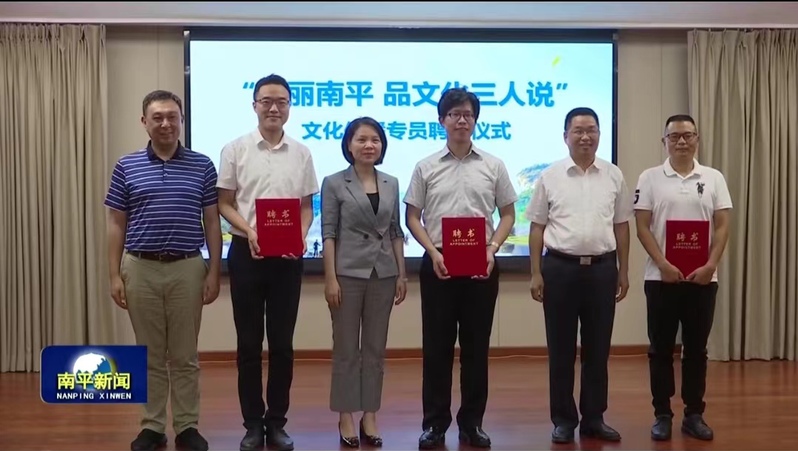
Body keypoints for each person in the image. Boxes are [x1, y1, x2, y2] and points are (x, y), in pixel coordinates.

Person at [105, 89, 222, 451]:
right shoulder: (126, 166)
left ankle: (187, 425)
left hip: (188, 267)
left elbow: (212, 222)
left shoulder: (202, 165)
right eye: (157, 117)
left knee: (185, 355)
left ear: (182, 120)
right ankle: (152, 426)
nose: (166, 123)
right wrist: (114, 275)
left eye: (172, 116)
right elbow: (116, 223)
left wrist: (214, 271)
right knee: (149, 354)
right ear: (145, 122)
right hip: (140, 268)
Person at [404, 87, 518, 449]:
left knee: (476, 349)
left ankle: (472, 423)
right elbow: (412, 216)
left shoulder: (493, 165)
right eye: (454, 114)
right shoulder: (425, 166)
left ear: (475, 120)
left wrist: (492, 248)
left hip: (481, 264)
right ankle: (435, 425)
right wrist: (431, 252)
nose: (461, 120)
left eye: (468, 114)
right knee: (436, 348)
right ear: (442, 120)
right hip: (438, 262)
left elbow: (508, 214)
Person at [216, 74, 319, 451]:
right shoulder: (235, 149)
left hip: (287, 259)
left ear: (289, 106)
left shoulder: (302, 152)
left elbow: (306, 207)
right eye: (267, 101)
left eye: (281, 101)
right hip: (247, 253)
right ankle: (251, 424)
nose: (274, 108)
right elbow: (225, 202)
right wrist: (250, 230)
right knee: (248, 344)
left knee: (282, 344)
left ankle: (277, 422)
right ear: (255, 105)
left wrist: (300, 235)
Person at [527, 107, 633, 444]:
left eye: (592, 130)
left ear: (599, 134)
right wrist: (535, 273)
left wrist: (623, 271)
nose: (585, 136)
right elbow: (537, 227)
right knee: (560, 350)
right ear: (565, 136)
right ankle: (563, 420)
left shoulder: (613, 175)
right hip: (559, 270)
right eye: (578, 130)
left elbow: (621, 225)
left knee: (597, 350)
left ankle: (594, 418)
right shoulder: (550, 176)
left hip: (602, 270)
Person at [634, 114, 732, 442]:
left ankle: (694, 414)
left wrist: (710, 265)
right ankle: (662, 414)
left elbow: (722, 226)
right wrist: (662, 263)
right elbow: (642, 226)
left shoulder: (714, 178)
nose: (681, 141)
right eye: (674, 136)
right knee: (660, 349)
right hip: (660, 279)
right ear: (664, 141)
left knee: (696, 350)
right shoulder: (649, 178)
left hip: (702, 279)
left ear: (697, 139)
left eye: (687, 135)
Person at [320, 117, 408, 448]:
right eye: (361, 139)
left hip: (383, 274)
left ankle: (370, 414)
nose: (369, 145)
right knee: (346, 349)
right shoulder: (333, 182)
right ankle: (345, 414)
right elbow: (329, 233)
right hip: (346, 275)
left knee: (375, 348)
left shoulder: (391, 182)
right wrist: (330, 278)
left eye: (375, 140)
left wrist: (401, 273)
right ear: (349, 145)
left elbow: (396, 231)